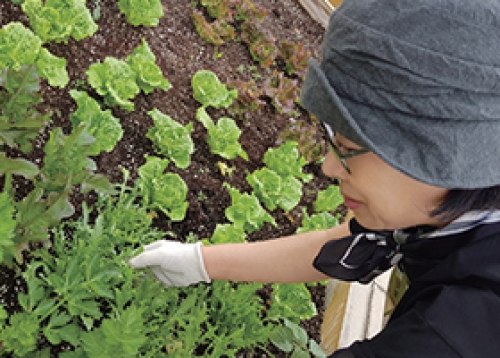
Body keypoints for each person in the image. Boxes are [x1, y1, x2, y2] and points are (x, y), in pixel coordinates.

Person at [129, 0, 500, 356]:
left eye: (348, 148)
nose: (329, 167)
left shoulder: (455, 334)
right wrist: (201, 261)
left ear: (443, 158)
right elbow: (349, 241)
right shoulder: (441, 207)